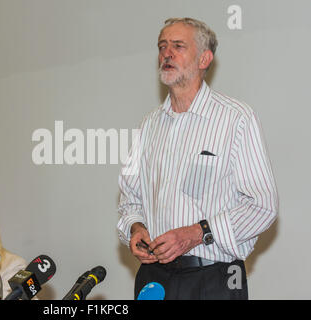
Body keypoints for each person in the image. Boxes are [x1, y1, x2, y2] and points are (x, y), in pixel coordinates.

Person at [117, 17, 278, 300]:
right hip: (153, 279)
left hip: (214, 278)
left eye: (178, 46)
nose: (166, 53)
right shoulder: (148, 125)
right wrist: (136, 227)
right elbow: (130, 199)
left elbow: (262, 206)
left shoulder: (236, 119)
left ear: (205, 58)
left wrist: (198, 232)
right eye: (162, 46)